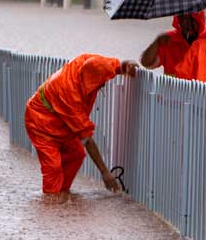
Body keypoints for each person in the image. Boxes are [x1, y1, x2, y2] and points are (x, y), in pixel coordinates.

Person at [24, 54, 138, 203]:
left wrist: (126, 66)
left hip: (61, 122)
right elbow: (87, 139)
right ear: (89, 82)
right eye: (99, 84)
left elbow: (115, 67)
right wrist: (105, 172)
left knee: (76, 154)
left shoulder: (90, 63)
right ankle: (51, 202)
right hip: (40, 122)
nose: (103, 86)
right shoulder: (69, 93)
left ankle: (63, 193)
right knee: (53, 167)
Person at [140, 11, 206, 76]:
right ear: (177, 19)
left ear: (200, 19)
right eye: (182, 17)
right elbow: (146, 63)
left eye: (192, 18)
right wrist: (156, 43)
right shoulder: (168, 39)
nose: (187, 23)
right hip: (172, 85)